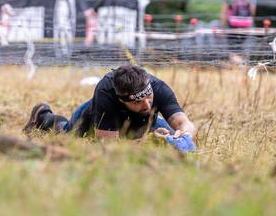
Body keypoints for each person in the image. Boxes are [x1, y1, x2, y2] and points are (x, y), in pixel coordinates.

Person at [24, 65, 197, 152]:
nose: (147, 104)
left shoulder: (158, 88)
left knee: (172, 143)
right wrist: (149, 142)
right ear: (122, 100)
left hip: (141, 121)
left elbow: (185, 123)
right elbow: (108, 145)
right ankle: (42, 116)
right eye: (137, 102)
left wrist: (183, 135)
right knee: (67, 133)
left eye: (149, 97)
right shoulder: (105, 93)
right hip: (97, 116)